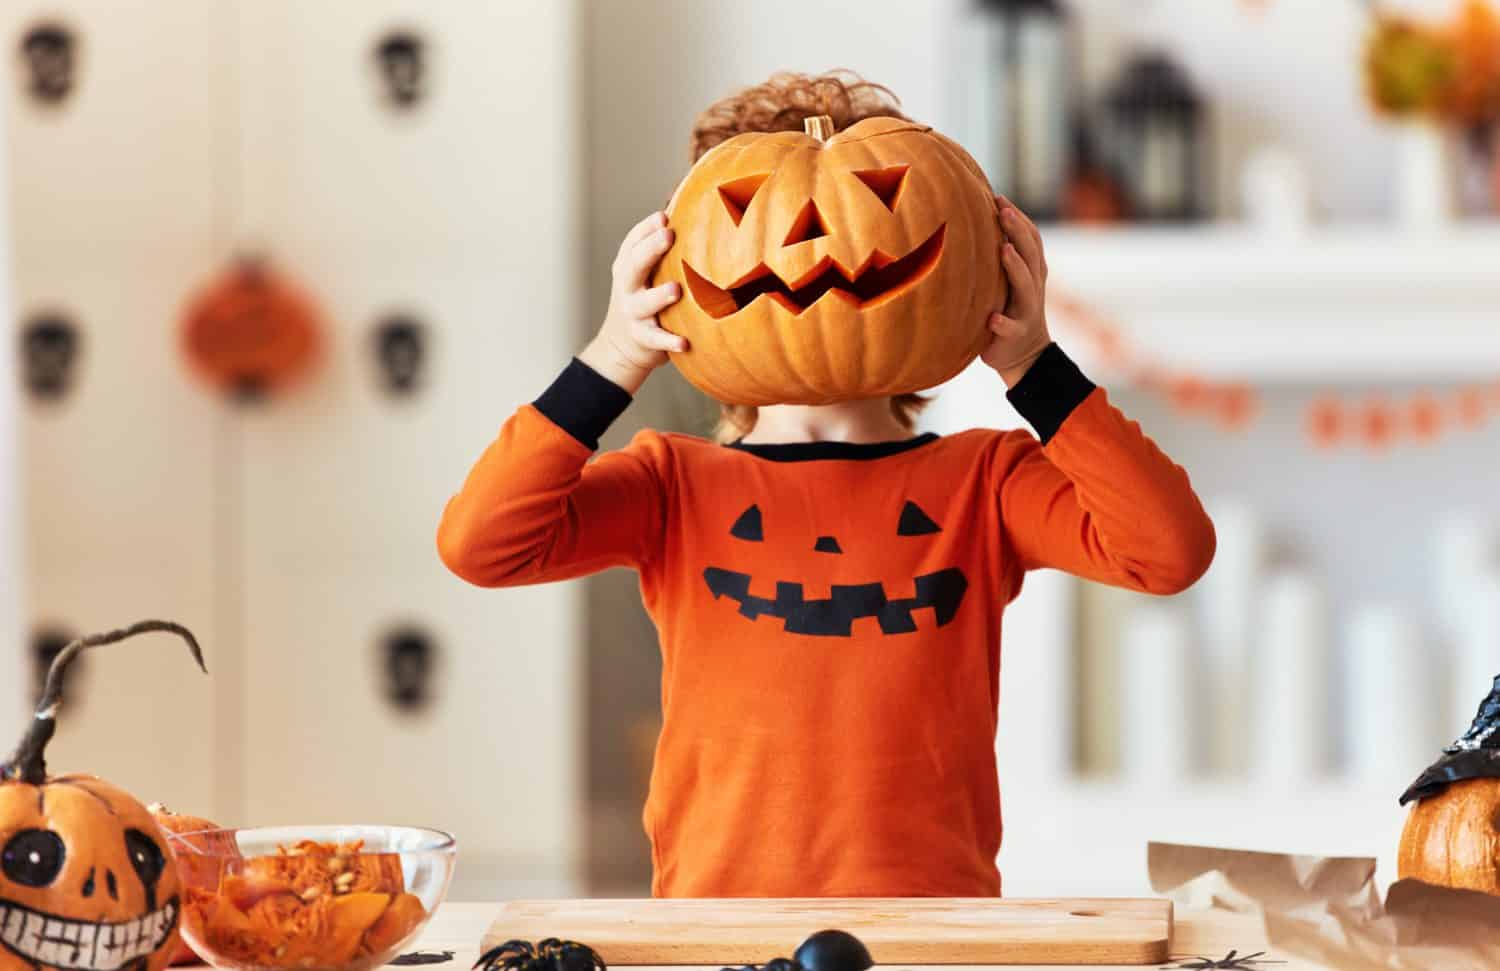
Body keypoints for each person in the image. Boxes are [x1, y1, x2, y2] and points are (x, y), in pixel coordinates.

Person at [438, 71, 1215, 898]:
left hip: (934, 933)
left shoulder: (983, 482)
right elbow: (480, 544)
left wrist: (1034, 367)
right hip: (717, 932)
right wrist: (613, 359)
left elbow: (1168, 551)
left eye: (877, 200)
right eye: (746, 213)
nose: (812, 244)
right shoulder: (672, 485)